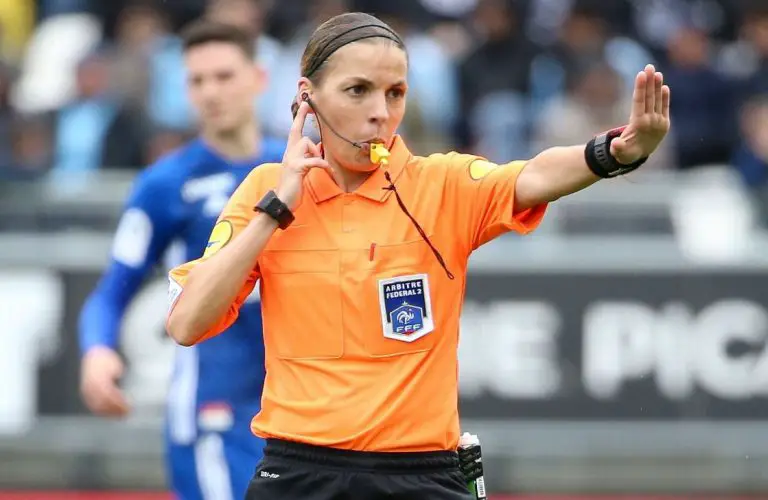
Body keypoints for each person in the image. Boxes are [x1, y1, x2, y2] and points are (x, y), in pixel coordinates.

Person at [166, 12, 671, 500]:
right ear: (307, 97)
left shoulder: (440, 184)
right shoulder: (265, 189)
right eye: (357, 90)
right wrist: (275, 209)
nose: (380, 112)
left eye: (395, 93)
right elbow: (187, 323)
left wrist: (617, 152)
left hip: (421, 475)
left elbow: (534, 174)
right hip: (298, 473)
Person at [78, 20, 286, 500]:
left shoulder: (295, 169)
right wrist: (97, 350)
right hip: (212, 411)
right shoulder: (165, 185)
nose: (210, 91)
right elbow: (113, 289)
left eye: (224, 76)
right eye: (197, 80)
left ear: (258, 78)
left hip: (296, 407)